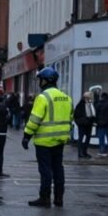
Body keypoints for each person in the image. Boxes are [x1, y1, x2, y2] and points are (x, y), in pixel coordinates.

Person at [21, 67, 73, 207]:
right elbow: (70, 118)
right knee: (58, 169)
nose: (39, 82)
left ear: (46, 80)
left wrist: (27, 136)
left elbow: (35, 119)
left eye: (40, 80)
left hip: (44, 141)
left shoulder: (43, 97)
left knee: (45, 170)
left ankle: (44, 198)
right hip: (60, 140)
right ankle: (59, 198)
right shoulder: (66, 97)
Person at [73, 91, 96, 159]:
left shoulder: (90, 104)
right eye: (89, 97)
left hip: (89, 124)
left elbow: (93, 113)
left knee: (88, 138)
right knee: (81, 138)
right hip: (83, 124)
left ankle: (84, 152)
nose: (90, 99)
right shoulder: (80, 105)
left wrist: (92, 120)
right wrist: (81, 121)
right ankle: (80, 153)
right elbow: (76, 115)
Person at [94, 90, 108, 157]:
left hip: (100, 124)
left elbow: (96, 113)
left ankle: (102, 151)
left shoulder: (99, 103)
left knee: (101, 138)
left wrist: (96, 121)